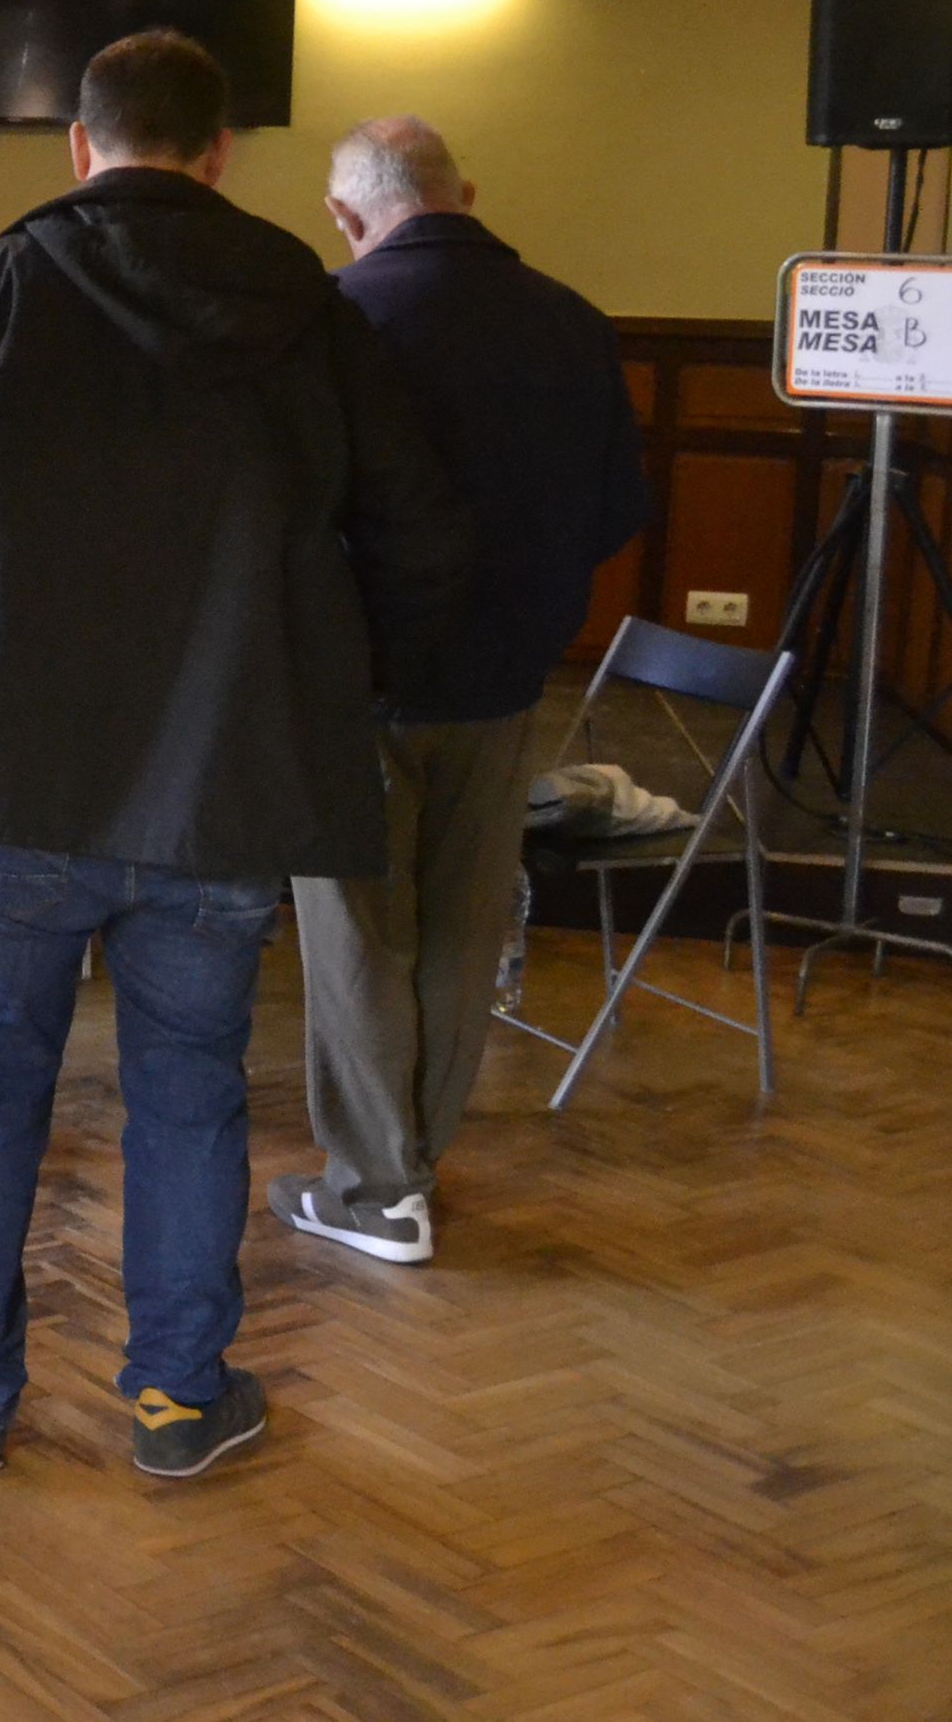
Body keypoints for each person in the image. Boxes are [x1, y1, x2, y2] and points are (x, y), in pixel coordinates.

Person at [0, 32, 468, 1481]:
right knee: (186, 1091)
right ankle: (179, 1397)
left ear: (78, 144)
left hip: (8, 768)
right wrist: (325, 652)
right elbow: (421, 535)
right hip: (220, 777)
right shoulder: (309, 309)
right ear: (218, 150)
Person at [277, 118, 647, 1264]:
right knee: (457, 922)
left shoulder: (332, 320)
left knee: (353, 928)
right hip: (500, 678)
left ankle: (378, 1187)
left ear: (345, 215)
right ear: (464, 193)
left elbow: (290, 508)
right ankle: (413, 1159)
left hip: (354, 679)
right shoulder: (569, 320)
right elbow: (614, 512)